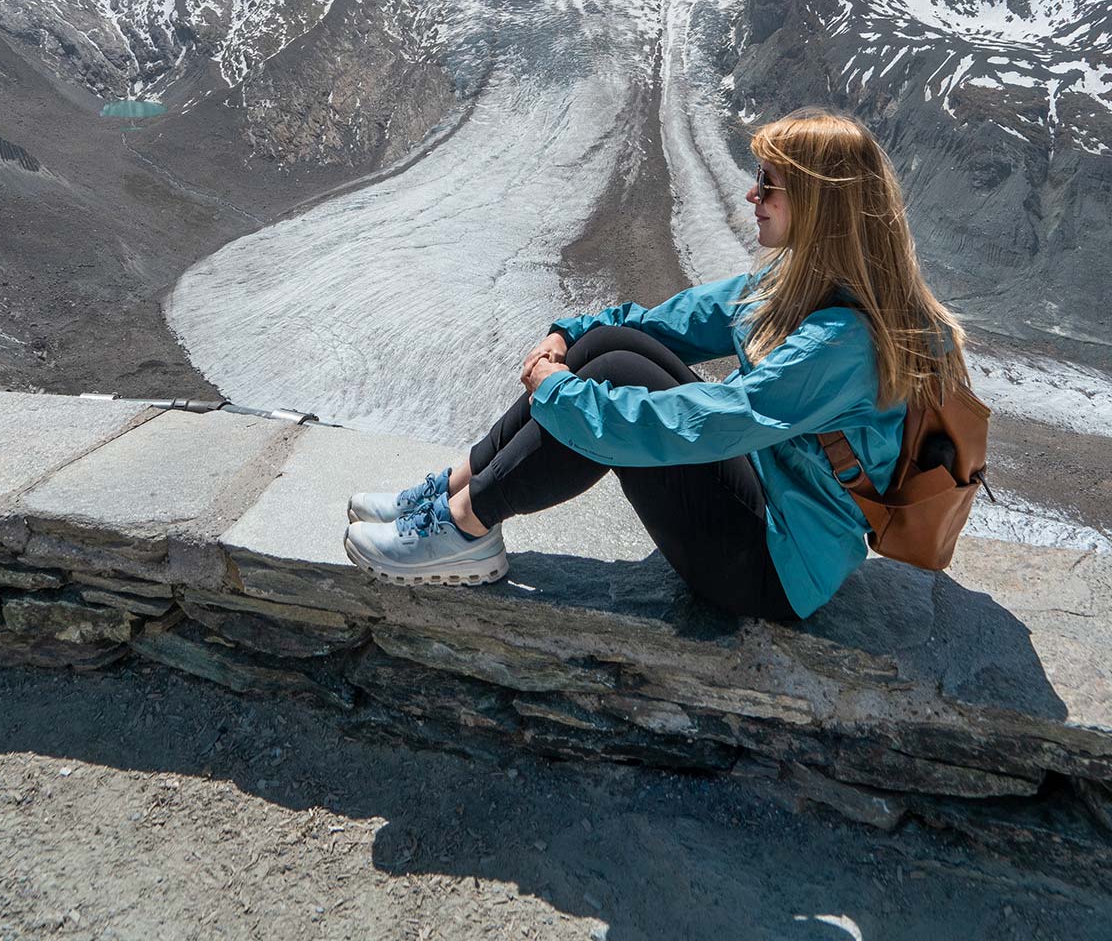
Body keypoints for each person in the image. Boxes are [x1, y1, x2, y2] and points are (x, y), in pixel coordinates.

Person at [343, 107, 970, 621]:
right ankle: (456, 490)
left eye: (769, 183)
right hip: (768, 498)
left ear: (818, 203)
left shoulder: (841, 341)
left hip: (773, 571)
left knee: (614, 379)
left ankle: (463, 526)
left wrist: (563, 395)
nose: (752, 194)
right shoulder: (803, 281)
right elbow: (681, 319)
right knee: (610, 350)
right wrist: (569, 335)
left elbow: (714, 420)